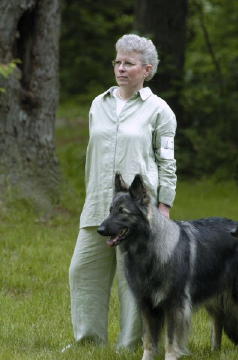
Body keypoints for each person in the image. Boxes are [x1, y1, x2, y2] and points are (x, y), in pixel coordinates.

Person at [65, 34, 177, 351]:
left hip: (140, 213)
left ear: (147, 69)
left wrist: (164, 205)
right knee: (82, 271)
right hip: (99, 205)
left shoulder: (160, 110)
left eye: (129, 63)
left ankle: (130, 346)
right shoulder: (97, 105)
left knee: (135, 281)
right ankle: (88, 341)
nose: (121, 68)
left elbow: (168, 161)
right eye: (118, 61)